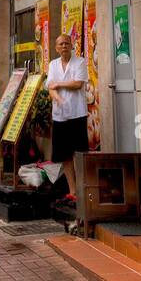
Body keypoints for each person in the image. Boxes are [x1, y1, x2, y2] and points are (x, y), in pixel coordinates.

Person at [45, 32, 88, 204]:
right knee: (65, 156)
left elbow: (78, 83)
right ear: (56, 48)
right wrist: (56, 96)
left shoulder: (80, 62)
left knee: (79, 153)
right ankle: (72, 191)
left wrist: (59, 84)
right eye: (60, 44)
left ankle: (84, 190)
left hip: (77, 114)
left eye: (66, 43)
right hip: (60, 116)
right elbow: (50, 86)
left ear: (72, 45)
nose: (64, 46)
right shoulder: (53, 64)